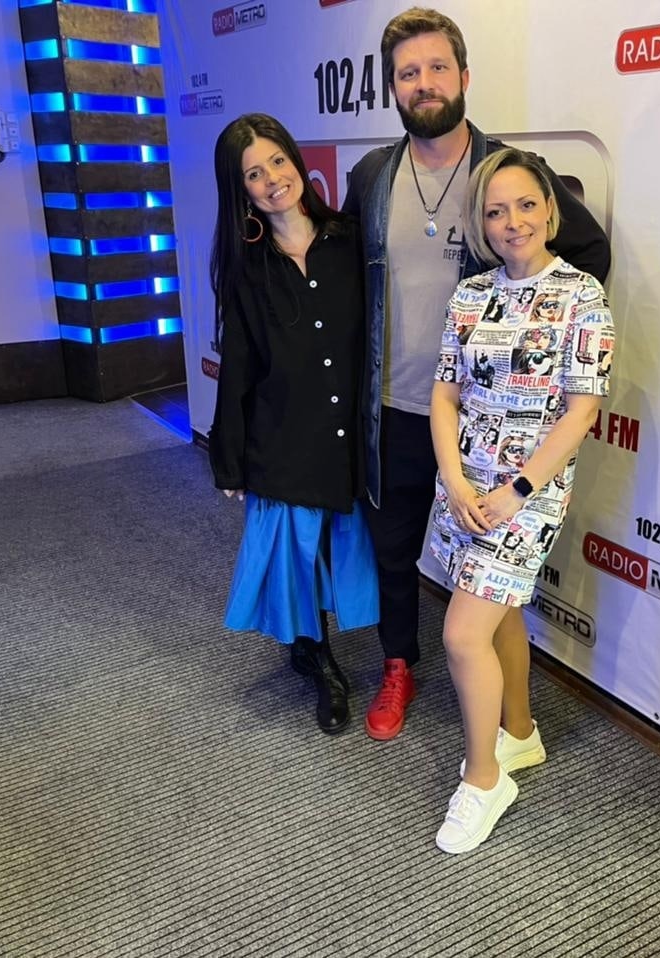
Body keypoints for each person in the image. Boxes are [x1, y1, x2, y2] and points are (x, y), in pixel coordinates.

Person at [343, 7, 611, 741]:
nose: (423, 83)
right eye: (408, 73)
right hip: (396, 407)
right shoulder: (371, 177)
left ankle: (510, 726)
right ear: (392, 88)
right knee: (393, 550)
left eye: (437, 67)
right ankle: (398, 665)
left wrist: (536, 349)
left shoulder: (506, 172)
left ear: (463, 76)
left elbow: (586, 256)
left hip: (488, 427)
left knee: (489, 574)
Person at [428, 148, 614, 853]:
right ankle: (521, 732)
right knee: (499, 613)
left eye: (526, 205)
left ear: (551, 211)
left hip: (527, 496)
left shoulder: (582, 296)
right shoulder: (471, 295)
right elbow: (444, 395)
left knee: (461, 635)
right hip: (465, 489)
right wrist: (455, 481)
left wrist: (519, 490)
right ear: (481, 224)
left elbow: (581, 410)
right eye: (496, 211)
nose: (513, 222)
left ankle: (484, 780)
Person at [209, 113, 377, 734]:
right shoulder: (247, 268)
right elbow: (240, 367)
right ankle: (320, 662)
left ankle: (355, 654)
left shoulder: (351, 239)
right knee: (299, 561)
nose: (272, 179)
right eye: (254, 173)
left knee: (346, 551)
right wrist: (230, 459)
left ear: (296, 160)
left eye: (277, 161)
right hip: (284, 438)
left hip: (352, 434)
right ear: (241, 190)